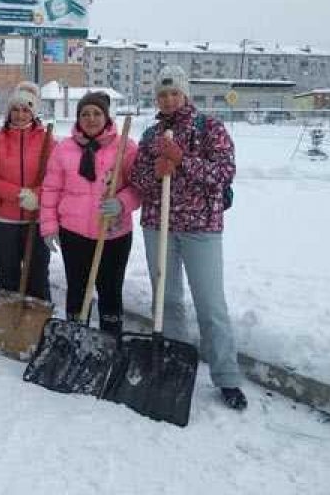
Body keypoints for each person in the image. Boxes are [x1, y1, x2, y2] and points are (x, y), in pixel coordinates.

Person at [129, 65, 247, 411]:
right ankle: (174, 363)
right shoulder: (150, 135)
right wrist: (156, 172)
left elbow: (224, 173)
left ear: (185, 94)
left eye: (174, 93)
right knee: (167, 299)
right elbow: (139, 181)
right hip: (158, 225)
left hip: (201, 228)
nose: (167, 100)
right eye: (162, 94)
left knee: (210, 303)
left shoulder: (209, 128)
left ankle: (227, 377)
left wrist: (183, 161)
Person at [39, 91, 140, 335]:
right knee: (77, 288)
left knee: (111, 289)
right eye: (85, 114)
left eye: (97, 113)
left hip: (113, 233)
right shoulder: (64, 148)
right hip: (73, 233)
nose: (91, 118)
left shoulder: (125, 146)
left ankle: (110, 339)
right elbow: (51, 189)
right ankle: (75, 335)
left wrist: (122, 202)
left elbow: (139, 188)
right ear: (77, 118)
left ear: (106, 117)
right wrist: (49, 226)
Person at [0, 82, 53, 300]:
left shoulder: (47, 141)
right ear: (9, 111)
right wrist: (21, 194)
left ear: (33, 113)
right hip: (3, 221)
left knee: (37, 279)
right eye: (15, 109)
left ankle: (38, 329)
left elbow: (54, 179)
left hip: (37, 220)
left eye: (26, 109)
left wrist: (37, 196)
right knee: (8, 279)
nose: (20, 114)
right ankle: (6, 330)